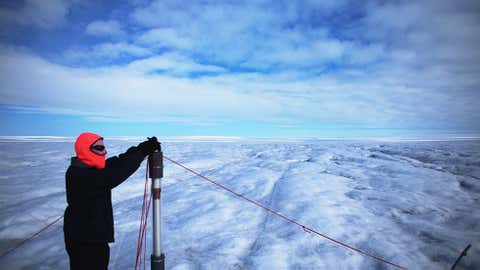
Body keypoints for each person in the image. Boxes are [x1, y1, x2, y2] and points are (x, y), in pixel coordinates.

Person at [63, 132, 160, 270]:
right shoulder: (83, 175)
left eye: (104, 147)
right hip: (86, 241)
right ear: (85, 150)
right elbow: (116, 171)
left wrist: (141, 149)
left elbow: (116, 162)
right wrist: (142, 152)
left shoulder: (85, 168)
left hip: (87, 235)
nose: (105, 151)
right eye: (100, 148)